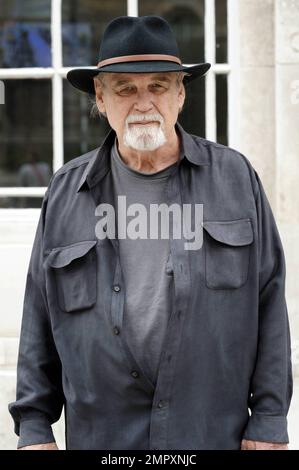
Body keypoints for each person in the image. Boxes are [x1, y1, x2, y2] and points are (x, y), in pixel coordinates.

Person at [9, 15, 293, 451]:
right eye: (125, 89)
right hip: (104, 441)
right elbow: (39, 319)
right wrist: (34, 429)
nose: (143, 103)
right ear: (101, 99)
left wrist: (270, 418)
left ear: (180, 94)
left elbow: (269, 300)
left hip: (213, 435)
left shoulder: (235, 179)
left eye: (158, 86)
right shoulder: (66, 194)